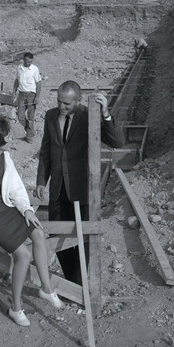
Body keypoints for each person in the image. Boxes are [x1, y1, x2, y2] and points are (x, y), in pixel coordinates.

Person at [0, 116, 64, 327]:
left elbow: (16, 187)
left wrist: (27, 210)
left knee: (38, 233)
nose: (11, 136)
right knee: (23, 255)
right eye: (8, 134)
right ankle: (16, 307)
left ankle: (46, 289)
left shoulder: (6, 156)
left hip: (8, 206)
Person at [36, 80, 124, 285]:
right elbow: (46, 151)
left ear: (78, 100)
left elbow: (117, 142)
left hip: (83, 190)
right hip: (58, 189)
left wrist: (105, 114)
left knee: (84, 239)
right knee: (56, 235)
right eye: (59, 102)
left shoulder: (88, 116)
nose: (61, 107)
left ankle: (79, 285)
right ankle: (74, 281)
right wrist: (42, 181)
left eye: (66, 104)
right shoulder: (50, 116)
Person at [12, 52, 42, 143]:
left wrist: (37, 96)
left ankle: (29, 135)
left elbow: (38, 83)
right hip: (21, 94)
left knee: (30, 117)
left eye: (31, 62)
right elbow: (16, 81)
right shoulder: (19, 68)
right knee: (21, 116)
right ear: (24, 60)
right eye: (28, 62)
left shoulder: (34, 69)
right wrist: (14, 92)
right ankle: (30, 131)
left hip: (31, 95)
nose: (29, 64)